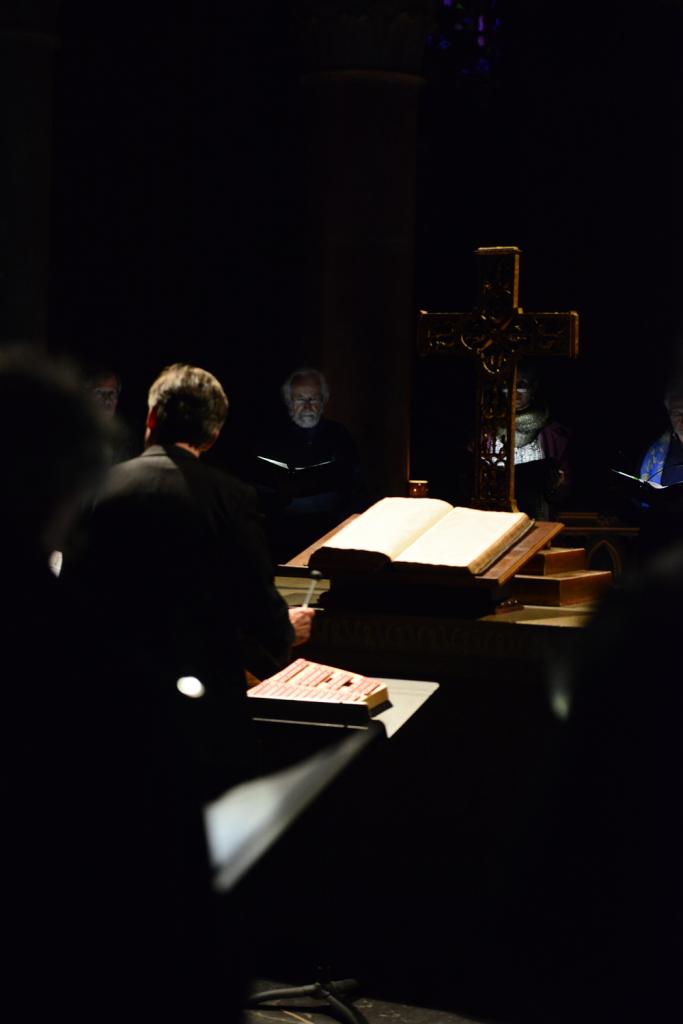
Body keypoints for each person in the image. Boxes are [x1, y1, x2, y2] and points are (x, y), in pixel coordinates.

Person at [63, 363, 314, 1012]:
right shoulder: (229, 496)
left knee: (121, 861)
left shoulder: (98, 487)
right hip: (202, 714)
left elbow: (69, 604)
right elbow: (255, 609)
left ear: (149, 419)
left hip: (109, 711)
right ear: (216, 431)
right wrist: (286, 631)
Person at [251, 367, 363, 562]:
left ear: (324, 402)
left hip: (330, 532)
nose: (308, 406)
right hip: (281, 533)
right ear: (288, 403)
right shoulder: (270, 437)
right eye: (300, 399)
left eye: (314, 399)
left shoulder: (338, 435)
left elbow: (354, 482)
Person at [497, 360, 572, 519]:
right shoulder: (487, 430)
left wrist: (558, 484)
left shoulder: (554, 434)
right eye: (507, 384)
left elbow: (565, 484)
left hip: (537, 515)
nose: (514, 391)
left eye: (521, 384)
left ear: (534, 387)